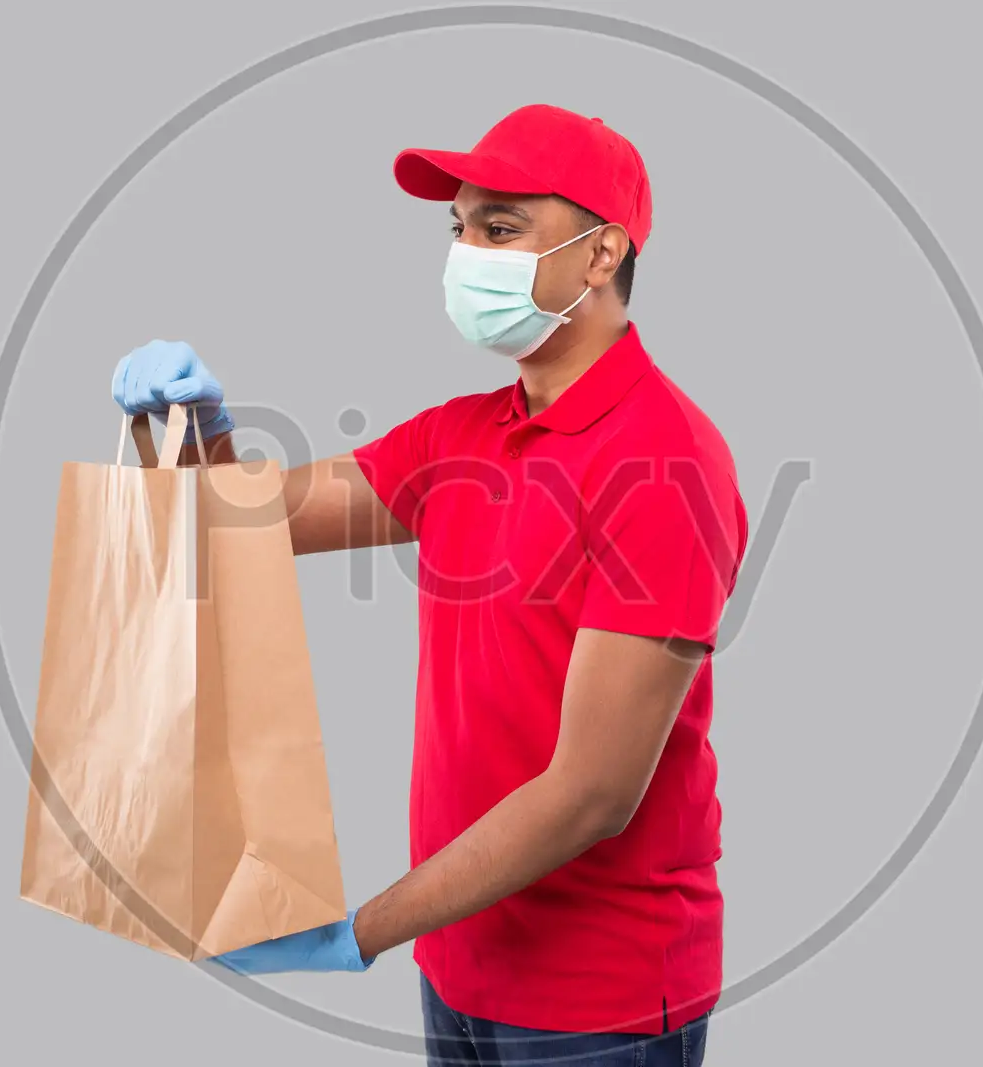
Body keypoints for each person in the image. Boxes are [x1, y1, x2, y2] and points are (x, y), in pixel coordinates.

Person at [112, 103, 747, 1066]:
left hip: (597, 997)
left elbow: (592, 794)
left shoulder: (667, 463)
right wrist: (190, 423)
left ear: (602, 253)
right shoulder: (464, 435)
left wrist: (357, 930)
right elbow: (239, 521)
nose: (467, 256)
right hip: (459, 963)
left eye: (501, 229)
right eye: (458, 229)